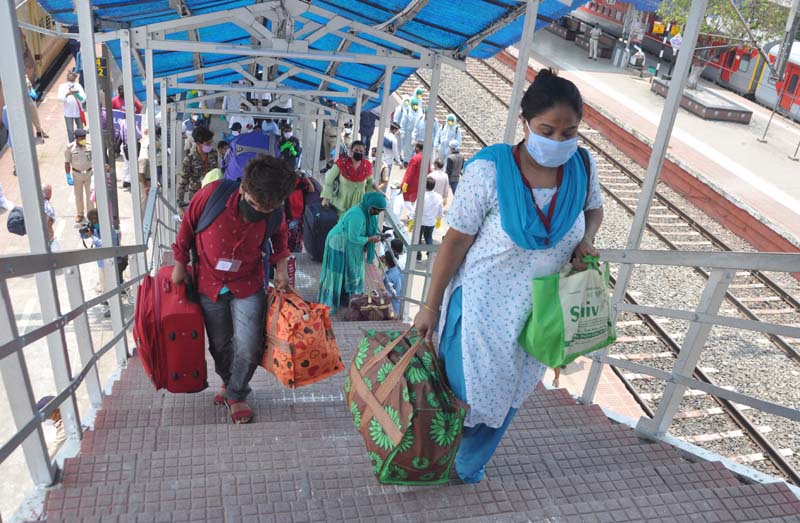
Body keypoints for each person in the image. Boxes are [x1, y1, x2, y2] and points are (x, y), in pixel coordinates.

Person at [413, 69, 604, 484]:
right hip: (482, 308)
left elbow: (593, 209)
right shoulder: (490, 171)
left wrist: (586, 239)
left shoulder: (582, 167)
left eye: (569, 132)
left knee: (512, 392)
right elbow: (454, 243)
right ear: (525, 123)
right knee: (466, 394)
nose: (558, 142)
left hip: (540, 311)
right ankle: (433, 457)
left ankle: (467, 465)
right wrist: (429, 306)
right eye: (547, 130)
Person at [172, 155, 296, 424]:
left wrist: (282, 269)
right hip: (209, 284)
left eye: (265, 209)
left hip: (248, 283)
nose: (257, 212)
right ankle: (229, 384)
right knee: (219, 344)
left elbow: (280, 237)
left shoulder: (274, 210)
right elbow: (187, 227)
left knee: (250, 346)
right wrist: (179, 265)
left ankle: (237, 394)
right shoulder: (211, 196)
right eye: (252, 204)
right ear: (242, 188)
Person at [317, 192, 387, 312]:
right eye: (377, 210)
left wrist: (378, 235)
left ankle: (347, 299)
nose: (378, 213)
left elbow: (364, 232)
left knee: (348, 271)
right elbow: (353, 238)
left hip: (347, 244)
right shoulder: (357, 215)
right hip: (338, 243)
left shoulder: (367, 213)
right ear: (370, 206)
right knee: (337, 272)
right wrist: (370, 239)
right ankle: (331, 302)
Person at [320, 140, 374, 218]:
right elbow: (329, 180)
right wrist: (326, 198)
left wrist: (370, 202)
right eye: (356, 150)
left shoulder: (367, 166)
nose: (358, 152)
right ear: (351, 151)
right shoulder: (342, 163)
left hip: (358, 207)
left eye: (361, 151)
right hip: (341, 206)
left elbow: (370, 183)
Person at [178, 126, 218, 209]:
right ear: (198, 143)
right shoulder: (189, 159)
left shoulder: (214, 153)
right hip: (196, 196)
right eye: (207, 143)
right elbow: (182, 183)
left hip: (212, 195)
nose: (210, 145)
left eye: (211, 142)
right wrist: (180, 206)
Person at [64, 128, 94, 223]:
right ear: (76, 139)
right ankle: (80, 214)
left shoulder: (89, 146)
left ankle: (91, 214)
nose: (83, 140)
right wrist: (68, 175)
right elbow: (67, 162)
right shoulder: (70, 148)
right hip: (77, 175)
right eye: (81, 138)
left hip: (89, 173)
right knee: (78, 196)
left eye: (84, 137)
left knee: (90, 196)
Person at [412, 177, 443, 261]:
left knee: (417, 238)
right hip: (431, 222)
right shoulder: (439, 197)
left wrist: (412, 219)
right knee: (428, 237)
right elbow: (440, 209)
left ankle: (418, 256)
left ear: (425, 185)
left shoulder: (422, 195)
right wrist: (439, 218)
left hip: (420, 221)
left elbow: (415, 208)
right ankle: (430, 254)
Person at [56, 70, 85, 144]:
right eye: (69, 75)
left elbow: (84, 98)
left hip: (78, 111)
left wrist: (76, 94)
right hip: (68, 112)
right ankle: (72, 144)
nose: (71, 76)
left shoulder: (78, 86)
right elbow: (60, 98)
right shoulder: (62, 86)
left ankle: (81, 143)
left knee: (80, 129)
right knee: (70, 130)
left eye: (72, 75)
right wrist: (67, 94)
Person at [401, 142, 429, 215]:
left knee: (406, 199)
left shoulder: (415, 158)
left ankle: (411, 215)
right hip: (421, 184)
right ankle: (414, 214)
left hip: (412, 184)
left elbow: (409, 173)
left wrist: (405, 183)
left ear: (417, 148)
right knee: (415, 201)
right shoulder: (427, 158)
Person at [380, 122, 401, 192]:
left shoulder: (384, 135)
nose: (397, 132)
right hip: (388, 162)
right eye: (397, 130)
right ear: (394, 130)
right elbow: (395, 153)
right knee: (385, 181)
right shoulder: (394, 140)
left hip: (380, 160)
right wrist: (400, 163)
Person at [381, 247, 403, 317]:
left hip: (393, 308)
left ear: (387, 262)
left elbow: (387, 295)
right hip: (401, 305)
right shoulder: (402, 271)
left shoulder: (388, 277)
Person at [400, 98, 421, 165]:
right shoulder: (408, 111)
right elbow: (403, 123)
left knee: (415, 148)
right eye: (414, 105)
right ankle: (407, 161)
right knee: (408, 147)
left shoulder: (420, 111)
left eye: (416, 105)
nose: (415, 106)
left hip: (417, 133)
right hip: (408, 132)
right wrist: (402, 132)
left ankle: (414, 161)